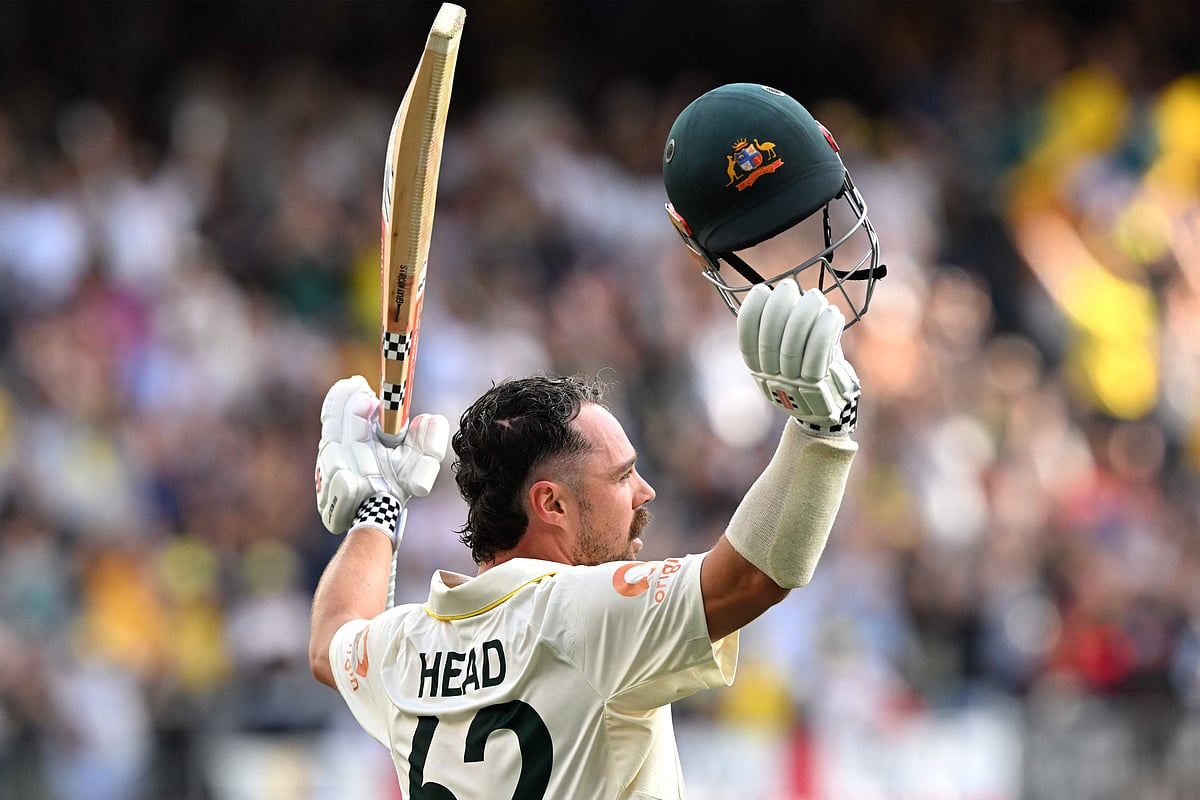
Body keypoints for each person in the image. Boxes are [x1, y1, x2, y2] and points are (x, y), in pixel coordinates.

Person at [308, 83, 885, 799]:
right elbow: (751, 577)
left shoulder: (405, 650)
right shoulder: (581, 618)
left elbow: (333, 638)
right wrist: (822, 432)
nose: (646, 493)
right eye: (622, 477)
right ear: (549, 502)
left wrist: (379, 511)